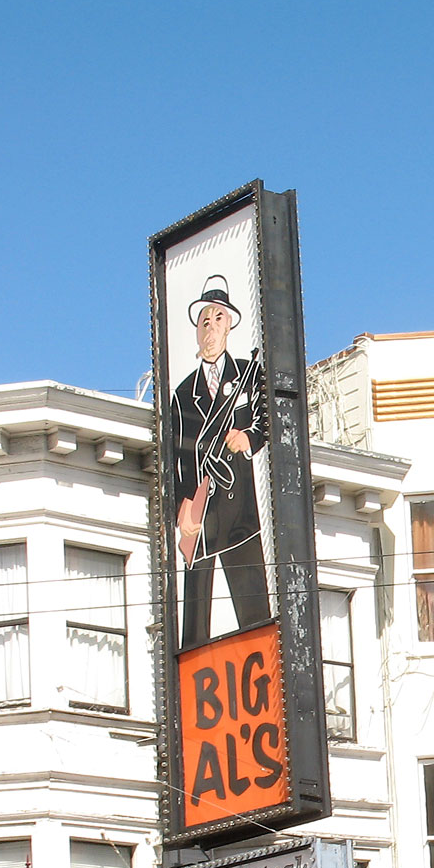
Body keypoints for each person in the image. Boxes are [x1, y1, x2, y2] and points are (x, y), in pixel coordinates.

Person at [170, 273, 270, 650]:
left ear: (230, 324)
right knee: (194, 624)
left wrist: (248, 437)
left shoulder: (248, 373)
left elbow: (266, 419)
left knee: (256, 618)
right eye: (204, 321)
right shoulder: (183, 393)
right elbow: (177, 456)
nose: (210, 328)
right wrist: (183, 510)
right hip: (201, 510)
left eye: (218, 319)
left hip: (240, 509)